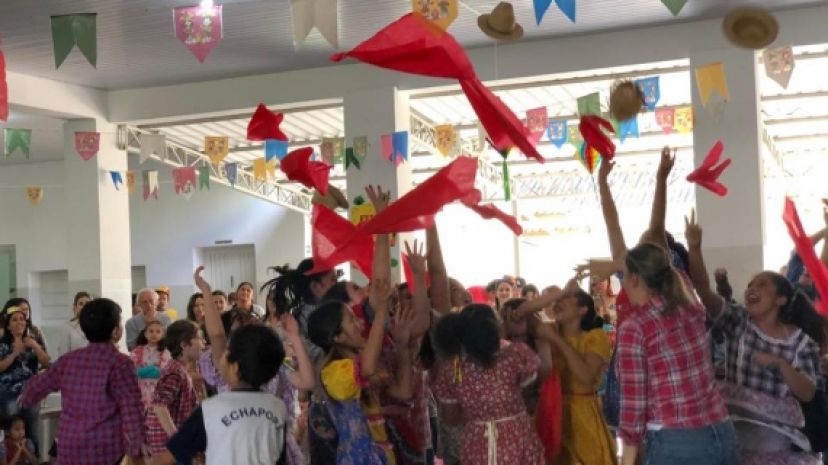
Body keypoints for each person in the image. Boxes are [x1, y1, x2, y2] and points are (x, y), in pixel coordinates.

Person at [597, 157, 736, 465]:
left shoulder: (639, 324)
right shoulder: (687, 299)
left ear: (632, 275)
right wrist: (606, 185)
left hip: (676, 437)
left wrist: (660, 179)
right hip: (720, 430)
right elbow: (616, 223)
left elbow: (633, 411)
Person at [686, 212, 825, 465]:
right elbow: (704, 291)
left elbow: (807, 393)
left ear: (780, 300)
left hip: (779, 449)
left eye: (761, 285)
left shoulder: (800, 343)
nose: (752, 289)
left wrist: (781, 364)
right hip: (737, 445)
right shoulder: (738, 322)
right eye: (750, 285)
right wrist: (694, 249)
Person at [197, 267, 314, 465]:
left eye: (254, 324)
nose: (251, 328)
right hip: (239, 450)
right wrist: (206, 293)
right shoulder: (227, 366)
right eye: (242, 328)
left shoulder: (273, 366)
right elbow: (216, 334)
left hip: (273, 451)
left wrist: (295, 336)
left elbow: (307, 381)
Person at [19, 298, 145, 465]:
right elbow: (131, 409)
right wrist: (138, 447)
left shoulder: (68, 360)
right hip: (106, 449)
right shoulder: (120, 363)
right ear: (116, 332)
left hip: (69, 447)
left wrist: (24, 400)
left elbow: (31, 391)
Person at [309, 279, 415, 465]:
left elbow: (403, 392)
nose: (360, 323)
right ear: (338, 336)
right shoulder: (333, 372)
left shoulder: (360, 363)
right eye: (352, 319)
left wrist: (402, 347)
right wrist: (381, 311)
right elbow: (366, 369)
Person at [154, 324, 290, 465]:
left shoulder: (211, 409)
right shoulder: (278, 408)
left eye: (226, 352)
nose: (219, 356)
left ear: (235, 367)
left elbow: (167, 458)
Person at [432, 305, 546, 465]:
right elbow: (538, 381)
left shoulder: (454, 367)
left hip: (477, 442)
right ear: (494, 329)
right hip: (517, 438)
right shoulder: (515, 355)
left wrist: (478, 413)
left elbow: (451, 418)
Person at [544, 287, 616, 465]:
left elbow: (586, 377)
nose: (558, 302)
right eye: (556, 299)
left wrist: (557, 341)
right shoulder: (548, 330)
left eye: (566, 297)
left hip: (582, 415)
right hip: (552, 411)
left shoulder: (595, 337)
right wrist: (557, 294)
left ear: (582, 309)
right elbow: (519, 313)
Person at [144, 320, 204, 458]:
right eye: (199, 338)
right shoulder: (175, 372)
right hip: (167, 447)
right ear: (184, 345)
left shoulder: (179, 369)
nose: (203, 342)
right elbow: (159, 406)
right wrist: (178, 440)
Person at [0, 306, 49, 453]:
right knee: (13, 430)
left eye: (22, 319)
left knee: (32, 430)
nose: (19, 322)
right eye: (14, 320)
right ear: (8, 325)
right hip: (9, 395)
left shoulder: (32, 342)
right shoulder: (3, 344)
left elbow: (46, 362)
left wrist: (36, 346)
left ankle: (34, 458)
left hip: (31, 394)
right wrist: (15, 353)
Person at [130, 320, 171, 415]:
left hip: (157, 389)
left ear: (163, 335)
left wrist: (156, 372)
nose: (154, 334)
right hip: (140, 389)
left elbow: (166, 371)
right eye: (151, 331)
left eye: (158, 332)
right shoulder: (137, 351)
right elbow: (131, 369)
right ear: (145, 334)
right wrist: (141, 372)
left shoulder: (166, 352)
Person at [56, 291, 92, 359]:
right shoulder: (68, 328)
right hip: (75, 366)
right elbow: (63, 356)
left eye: (87, 303)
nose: (84, 306)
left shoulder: (97, 326)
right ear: (75, 307)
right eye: (81, 304)